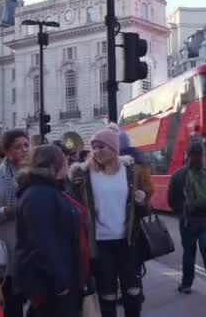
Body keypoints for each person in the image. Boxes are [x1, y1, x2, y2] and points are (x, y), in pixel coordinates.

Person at [69, 124, 153, 317]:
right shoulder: (82, 174)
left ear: (114, 148)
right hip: (100, 244)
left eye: (102, 146)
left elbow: (143, 210)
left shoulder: (130, 171)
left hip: (128, 241)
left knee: (133, 292)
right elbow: (74, 208)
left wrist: (141, 203)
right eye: (94, 147)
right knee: (107, 295)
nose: (97, 151)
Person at [15, 145, 88, 317]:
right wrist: (60, 282)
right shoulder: (38, 194)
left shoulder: (50, 189)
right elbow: (43, 242)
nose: (67, 163)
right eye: (63, 160)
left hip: (60, 277)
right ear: (52, 165)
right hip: (50, 283)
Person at [168, 141, 206, 298]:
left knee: (189, 253)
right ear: (203, 155)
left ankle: (186, 284)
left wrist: (182, 210)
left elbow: (171, 200)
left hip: (188, 221)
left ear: (187, 155)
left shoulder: (178, 175)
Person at [0, 129, 29, 317]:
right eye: (18, 147)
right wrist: (5, 212)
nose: (24, 150)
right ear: (7, 151)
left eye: (27, 145)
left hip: (34, 250)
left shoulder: (38, 174)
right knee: (12, 305)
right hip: (7, 250)